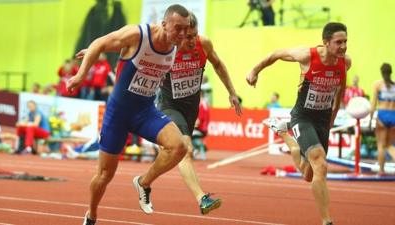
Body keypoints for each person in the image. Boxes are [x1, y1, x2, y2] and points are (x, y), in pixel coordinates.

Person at [67, 4, 191, 225]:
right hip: (118, 113)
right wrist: (81, 75)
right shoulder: (138, 35)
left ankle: (143, 182)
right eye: (178, 29)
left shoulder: (176, 46)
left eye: (186, 29)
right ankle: (91, 215)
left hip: (145, 111)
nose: (182, 34)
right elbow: (99, 43)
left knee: (179, 146)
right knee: (105, 175)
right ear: (164, 24)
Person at [246, 22, 350, 225]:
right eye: (339, 42)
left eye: (346, 41)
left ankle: (285, 135)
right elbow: (276, 53)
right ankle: (327, 220)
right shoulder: (306, 56)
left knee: (309, 174)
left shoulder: (344, 62)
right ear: (326, 42)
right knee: (320, 164)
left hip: (322, 119)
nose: (344, 46)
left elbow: (341, 91)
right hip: (302, 117)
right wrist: (254, 70)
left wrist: (334, 115)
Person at [157, 12, 242, 214]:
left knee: (178, 153)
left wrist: (232, 92)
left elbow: (218, 64)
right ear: (179, 35)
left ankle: (144, 181)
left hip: (191, 108)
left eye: (194, 35)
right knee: (185, 150)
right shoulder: (167, 48)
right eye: (187, 37)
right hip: (170, 105)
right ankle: (202, 198)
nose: (192, 41)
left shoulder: (203, 44)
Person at [370, 63, 395, 175]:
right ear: (391, 72)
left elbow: (373, 104)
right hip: (393, 115)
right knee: (389, 145)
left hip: (382, 115)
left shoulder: (377, 85)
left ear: (381, 72)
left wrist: (371, 119)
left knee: (381, 145)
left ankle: (381, 170)